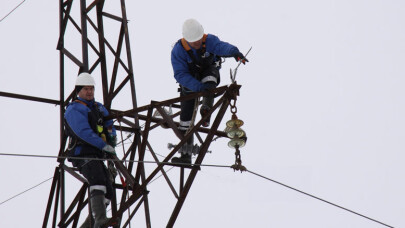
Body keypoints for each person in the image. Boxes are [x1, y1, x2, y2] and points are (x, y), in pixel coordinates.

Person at [170, 18, 248, 164]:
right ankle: (186, 155)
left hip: (208, 75)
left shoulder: (209, 40)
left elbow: (221, 47)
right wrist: (199, 88)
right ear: (186, 39)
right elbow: (180, 74)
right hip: (190, 83)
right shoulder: (178, 51)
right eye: (194, 42)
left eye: (199, 39)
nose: (197, 43)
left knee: (210, 76)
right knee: (186, 120)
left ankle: (207, 108)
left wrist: (234, 52)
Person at [64, 72, 117, 228]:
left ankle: (90, 225)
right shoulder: (74, 109)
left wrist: (111, 139)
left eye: (91, 89)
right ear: (78, 90)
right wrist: (103, 145)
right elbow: (82, 131)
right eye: (86, 89)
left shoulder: (98, 107)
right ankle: (100, 219)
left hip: (97, 153)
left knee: (109, 191)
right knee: (98, 180)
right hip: (83, 152)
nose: (89, 92)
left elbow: (109, 124)